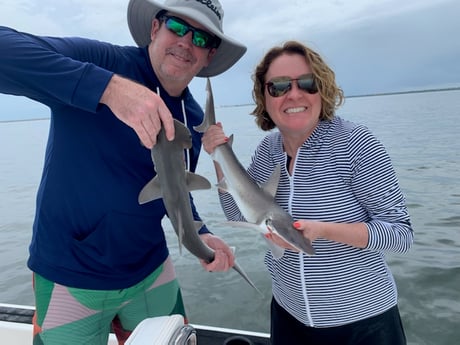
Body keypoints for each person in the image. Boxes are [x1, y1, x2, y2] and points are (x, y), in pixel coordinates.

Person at [0, 0, 246, 344]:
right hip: (70, 275)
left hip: (151, 271)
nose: (186, 42)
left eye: (202, 39)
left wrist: (200, 231)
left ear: (209, 56)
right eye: (177, 27)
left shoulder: (191, 115)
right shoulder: (101, 62)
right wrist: (109, 89)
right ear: (155, 28)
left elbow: (175, 187)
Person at [202, 40, 414, 345]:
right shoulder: (268, 151)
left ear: (322, 89)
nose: (294, 94)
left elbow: (400, 234)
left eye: (307, 83)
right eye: (278, 87)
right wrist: (218, 156)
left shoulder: (356, 145)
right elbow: (238, 213)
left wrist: (323, 230)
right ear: (265, 97)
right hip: (289, 316)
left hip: (363, 322)